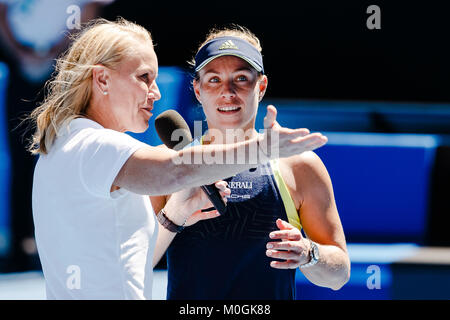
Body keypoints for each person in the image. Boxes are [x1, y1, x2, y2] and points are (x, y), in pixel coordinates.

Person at [28, 18, 328, 299]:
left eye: (241, 78)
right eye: (144, 77)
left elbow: (131, 266)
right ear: (103, 80)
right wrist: (264, 148)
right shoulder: (94, 145)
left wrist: (175, 215)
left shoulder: (71, 143)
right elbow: (179, 169)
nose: (156, 93)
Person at [150, 26, 351, 300]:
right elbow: (135, 265)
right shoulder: (169, 163)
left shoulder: (298, 166)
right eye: (213, 80)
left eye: (241, 78)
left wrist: (308, 253)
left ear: (262, 86)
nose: (228, 92)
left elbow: (338, 275)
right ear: (197, 90)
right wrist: (173, 215)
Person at [0, 0, 114, 272]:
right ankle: (22, 243)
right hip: (22, 68)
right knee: (22, 155)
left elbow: (91, 10)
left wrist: (57, 54)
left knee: (66, 154)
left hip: (65, 71)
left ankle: (67, 243)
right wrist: (22, 53)